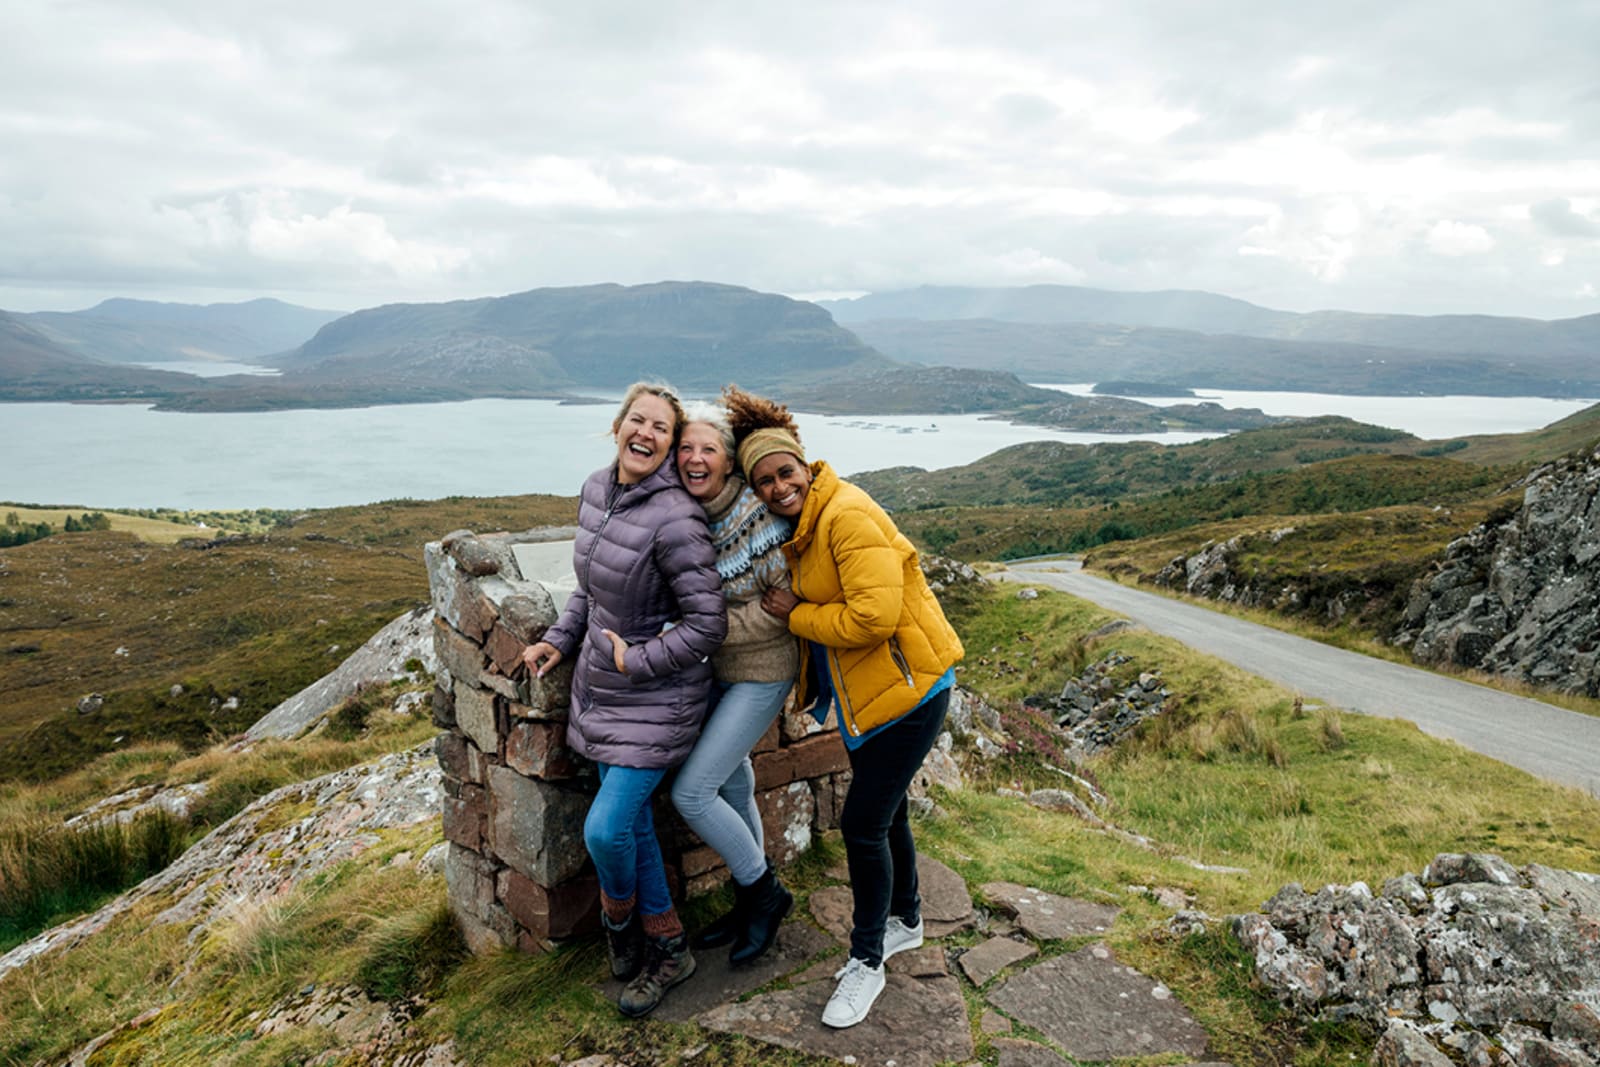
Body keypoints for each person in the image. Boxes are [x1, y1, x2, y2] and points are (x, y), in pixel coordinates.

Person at [726, 386, 964, 1030]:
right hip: (878, 697)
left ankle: (866, 962)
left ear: (805, 465)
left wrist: (795, 615)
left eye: (785, 473)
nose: (777, 488)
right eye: (764, 481)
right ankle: (906, 920)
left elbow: (874, 616)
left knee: (861, 824)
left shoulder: (845, 515)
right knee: (887, 814)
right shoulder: (805, 525)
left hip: (910, 693)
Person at [522, 381, 727, 1019]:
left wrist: (636, 661)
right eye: (637, 421)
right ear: (617, 426)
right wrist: (558, 639)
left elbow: (706, 626)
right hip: (599, 691)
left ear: (669, 446)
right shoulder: (594, 490)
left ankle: (624, 928)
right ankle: (666, 945)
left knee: (607, 829)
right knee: (632, 826)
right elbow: (591, 591)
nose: (645, 434)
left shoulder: (677, 517)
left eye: (660, 429)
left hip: (658, 699)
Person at [668, 400, 799, 966]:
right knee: (733, 786)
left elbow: (781, 608)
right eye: (687, 448)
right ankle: (751, 901)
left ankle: (765, 893)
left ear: (728, 462)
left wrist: (702, 631)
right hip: (723, 673)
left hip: (765, 671)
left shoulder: (755, 515)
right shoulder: (692, 512)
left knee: (692, 793)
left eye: (708, 449)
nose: (696, 458)